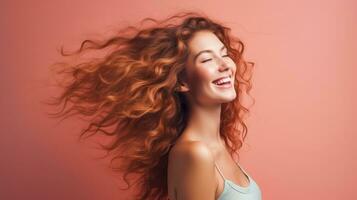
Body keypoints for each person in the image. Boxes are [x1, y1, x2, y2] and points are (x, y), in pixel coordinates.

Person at [44, 11, 261, 200]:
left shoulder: (217, 144)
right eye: (207, 60)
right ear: (182, 81)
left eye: (224, 54)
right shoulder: (195, 153)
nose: (225, 65)